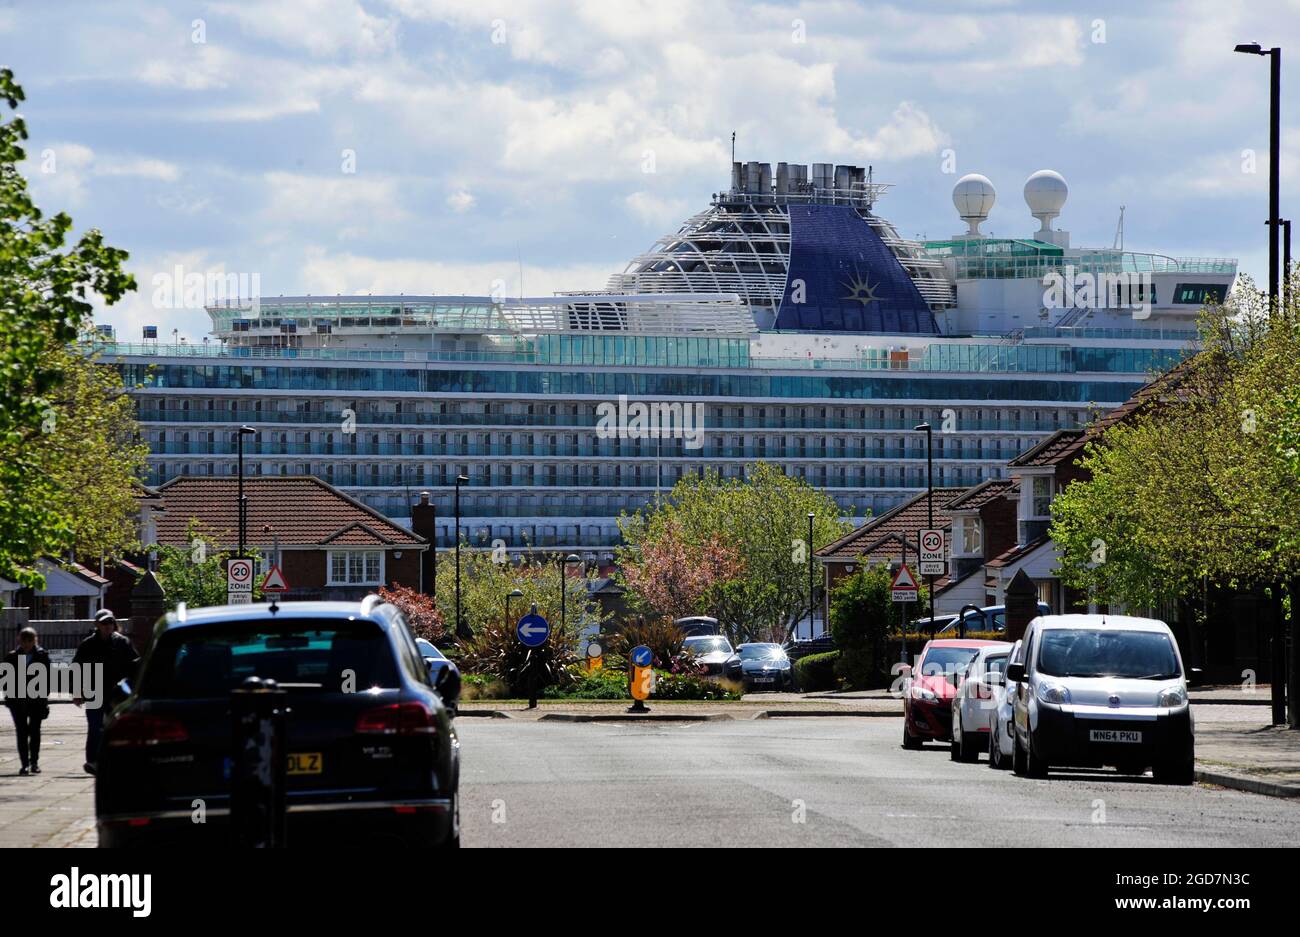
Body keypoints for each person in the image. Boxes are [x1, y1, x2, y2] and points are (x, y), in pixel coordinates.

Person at [72, 609, 140, 775]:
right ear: (97, 625)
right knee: (95, 726)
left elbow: (134, 666)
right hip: (94, 690)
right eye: (104, 623)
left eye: (110, 622)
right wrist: (77, 691)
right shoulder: (87, 645)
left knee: (117, 727)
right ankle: (92, 761)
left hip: (117, 692)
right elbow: (77, 667)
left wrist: (135, 688)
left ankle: (118, 760)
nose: (107, 626)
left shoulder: (122, 643)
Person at [4, 628, 51, 775]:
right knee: (22, 732)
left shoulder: (42, 656)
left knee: (35, 731)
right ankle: (24, 763)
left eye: (29, 641)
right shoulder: (12, 657)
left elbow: (48, 677)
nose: (26, 644)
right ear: (19, 640)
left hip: (36, 699)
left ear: (34, 640)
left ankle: (34, 762)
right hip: (17, 701)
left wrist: (44, 696)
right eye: (24, 641)